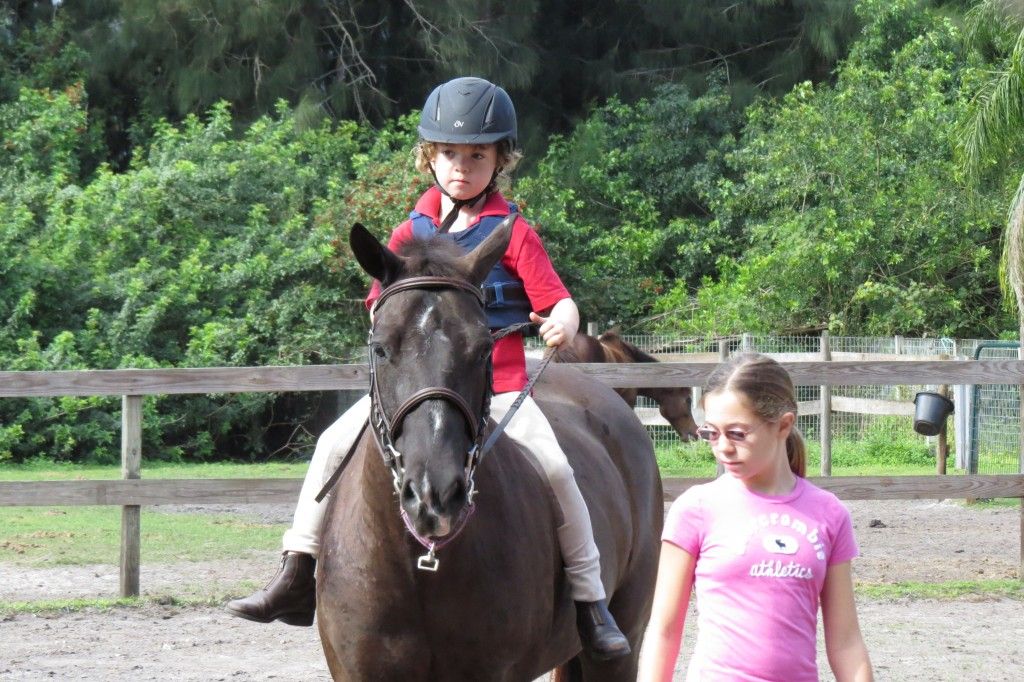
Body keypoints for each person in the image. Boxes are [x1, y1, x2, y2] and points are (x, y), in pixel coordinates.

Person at [226, 76, 631, 660]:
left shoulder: (511, 232)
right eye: (449, 154)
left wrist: (564, 322)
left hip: (499, 390)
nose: (461, 167)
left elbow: (557, 298)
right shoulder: (408, 232)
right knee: (331, 445)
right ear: (428, 157)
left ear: (500, 160)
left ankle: (591, 606)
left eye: (476, 155)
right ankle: (295, 575)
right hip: (414, 386)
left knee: (557, 469)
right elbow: (383, 308)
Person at [638, 353, 873, 681]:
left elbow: (846, 641)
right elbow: (663, 631)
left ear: (783, 425)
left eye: (737, 434)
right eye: (712, 433)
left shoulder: (829, 514)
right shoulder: (696, 509)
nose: (723, 448)